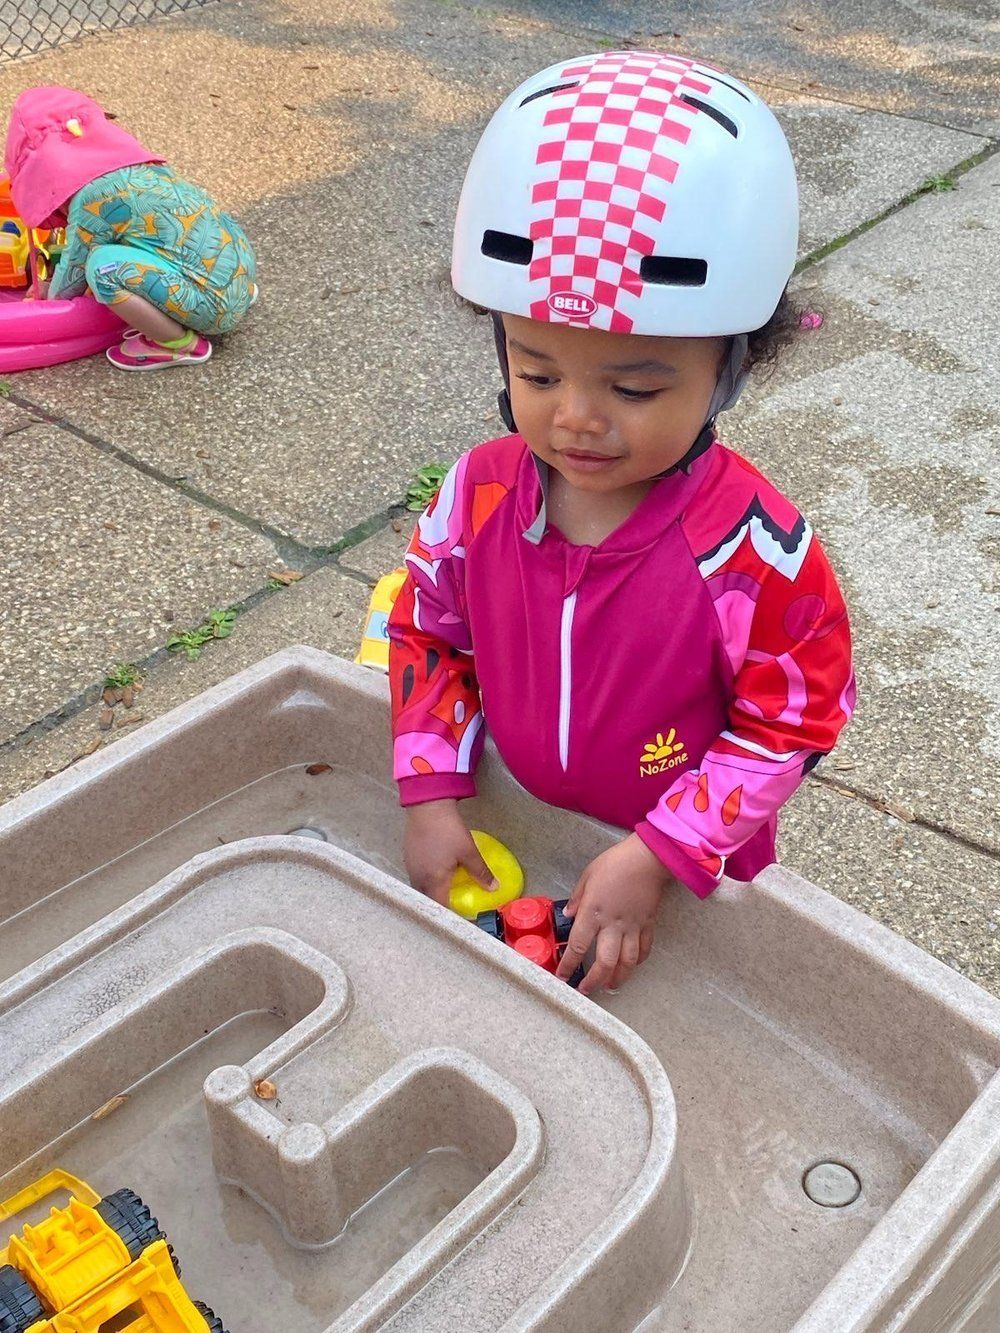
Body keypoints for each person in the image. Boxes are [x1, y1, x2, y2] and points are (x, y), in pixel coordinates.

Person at [388, 50, 855, 996]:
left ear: (731, 368)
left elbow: (794, 720)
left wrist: (664, 850)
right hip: (518, 819)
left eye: (635, 385)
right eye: (538, 372)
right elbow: (425, 632)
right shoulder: (476, 494)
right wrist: (432, 787)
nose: (577, 420)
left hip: (684, 860)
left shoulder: (753, 551)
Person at [4, 86, 256, 369]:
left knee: (103, 269)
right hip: (239, 279)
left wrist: (44, 295)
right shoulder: (137, 167)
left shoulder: (93, 197)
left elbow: (71, 280)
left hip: (214, 307)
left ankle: (177, 345)